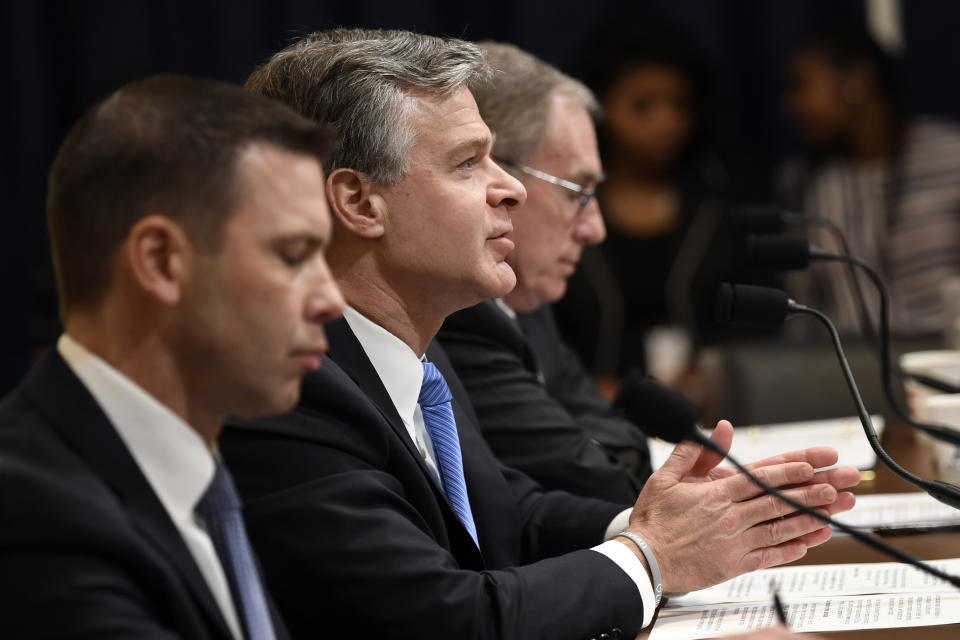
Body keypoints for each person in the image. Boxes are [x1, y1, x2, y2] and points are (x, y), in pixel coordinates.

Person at [219, 28, 859, 640]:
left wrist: (662, 522)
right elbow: (447, 621)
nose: (511, 188)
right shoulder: (286, 387)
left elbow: (507, 515)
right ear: (359, 204)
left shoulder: (411, 349)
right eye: (468, 163)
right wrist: (653, 555)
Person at [0, 74, 345, 638]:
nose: (331, 299)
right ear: (160, 262)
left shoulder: (199, 480)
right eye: (292, 255)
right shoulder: (31, 515)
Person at [437, 42, 652, 503]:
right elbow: (598, 477)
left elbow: (614, 437)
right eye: (578, 193)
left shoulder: (525, 299)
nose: (595, 230)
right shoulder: (457, 312)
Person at [553, 12, 760, 376]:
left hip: (714, 413)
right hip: (591, 413)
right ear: (599, 109)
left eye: (679, 105)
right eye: (643, 106)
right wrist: (590, 395)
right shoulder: (563, 200)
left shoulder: (721, 197)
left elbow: (755, 316)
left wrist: (714, 376)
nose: (666, 123)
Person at [780, 22, 960, 334]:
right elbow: (800, 312)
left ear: (856, 81)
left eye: (801, 85)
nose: (792, 105)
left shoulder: (949, 157)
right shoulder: (801, 182)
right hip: (846, 374)